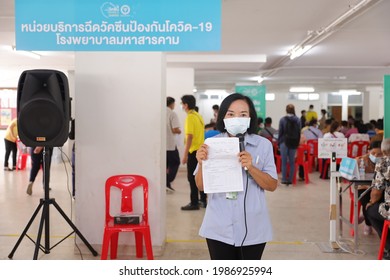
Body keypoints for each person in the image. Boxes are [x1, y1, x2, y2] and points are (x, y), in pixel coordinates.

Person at [194, 93, 277, 260]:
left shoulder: (263, 145)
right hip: (219, 227)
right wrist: (202, 164)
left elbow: (272, 185)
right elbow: (201, 186)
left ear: (250, 118)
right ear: (223, 117)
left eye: (243, 114)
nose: (236, 118)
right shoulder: (211, 145)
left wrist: (251, 167)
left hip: (253, 227)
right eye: (231, 114)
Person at [180, 94, 206, 210]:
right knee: (201, 176)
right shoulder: (198, 116)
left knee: (192, 178)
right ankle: (203, 200)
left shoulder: (190, 117)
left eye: (182, 104)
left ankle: (194, 202)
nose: (181, 106)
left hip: (193, 151)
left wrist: (185, 155)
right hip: (201, 150)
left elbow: (189, 137)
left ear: (186, 105)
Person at [366, 138, 390, 259]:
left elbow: (376, 191)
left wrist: (371, 202)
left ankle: (389, 247)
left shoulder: (384, 163)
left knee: (371, 210)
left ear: (385, 152)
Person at [355, 140, 383, 236]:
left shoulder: (385, 162)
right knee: (366, 200)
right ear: (368, 151)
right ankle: (368, 223)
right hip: (363, 187)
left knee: (377, 200)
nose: (376, 156)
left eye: (379, 154)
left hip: (378, 189)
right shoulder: (360, 160)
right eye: (373, 153)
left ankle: (367, 216)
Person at [278, 104, 301, 185]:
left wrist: (279, 143)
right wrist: (297, 143)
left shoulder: (282, 120)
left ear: (286, 110)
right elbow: (299, 132)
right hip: (294, 142)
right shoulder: (298, 119)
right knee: (292, 162)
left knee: (284, 162)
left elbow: (280, 132)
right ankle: (290, 179)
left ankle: (284, 179)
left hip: (284, 142)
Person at [166, 97, 182, 192]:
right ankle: (167, 181)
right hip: (170, 145)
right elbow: (175, 129)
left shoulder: (160, 112)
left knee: (166, 165)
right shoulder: (172, 113)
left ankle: (166, 183)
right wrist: (180, 131)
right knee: (176, 162)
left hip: (162, 145)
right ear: (171, 104)